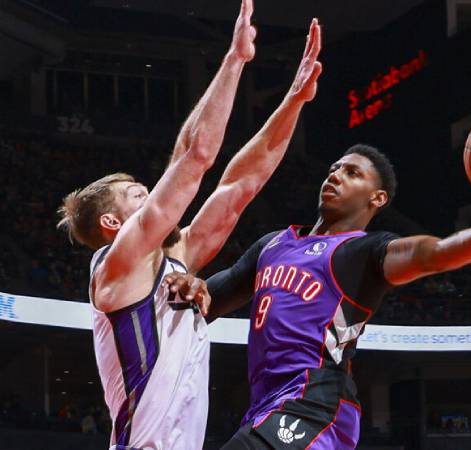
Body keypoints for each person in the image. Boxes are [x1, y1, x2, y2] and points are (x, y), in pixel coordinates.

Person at [170, 138, 471, 448]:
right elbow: (210, 300)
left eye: (352, 173)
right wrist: (193, 284)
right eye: (334, 168)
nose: (335, 175)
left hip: (315, 404)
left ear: (378, 198)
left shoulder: (364, 253)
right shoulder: (272, 245)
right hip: (264, 407)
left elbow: (436, 253)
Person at [56, 1, 323, 447]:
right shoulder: (115, 267)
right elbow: (196, 158)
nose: (151, 196)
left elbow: (241, 184)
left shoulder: (173, 260)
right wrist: (235, 61)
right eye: (137, 196)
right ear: (111, 221)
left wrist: (293, 102)